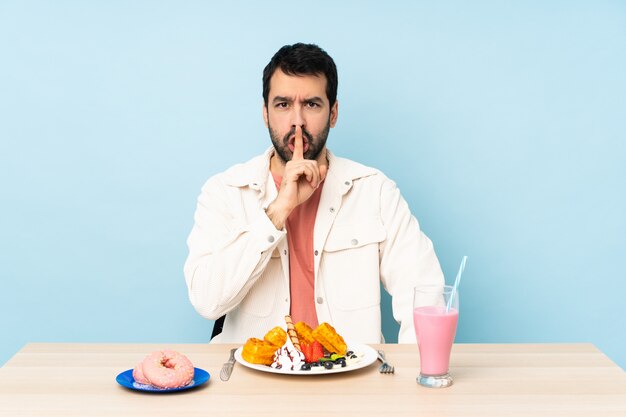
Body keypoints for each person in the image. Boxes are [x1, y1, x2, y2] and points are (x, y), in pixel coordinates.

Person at [184, 43, 444, 344]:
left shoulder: (374, 190)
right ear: (265, 114)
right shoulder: (225, 191)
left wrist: (414, 374)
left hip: (351, 379)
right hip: (253, 380)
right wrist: (277, 211)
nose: (297, 121)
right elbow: (206, 300)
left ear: (333, 113)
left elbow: (424, 292)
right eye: (282, 105)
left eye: (312, 104)